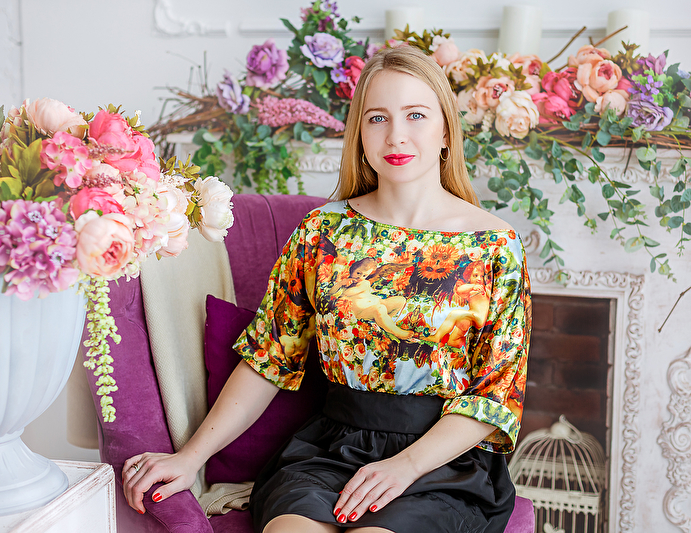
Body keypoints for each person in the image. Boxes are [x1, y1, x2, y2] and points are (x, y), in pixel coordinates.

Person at [122, 45, 531, 533]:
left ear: (446, 129)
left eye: (416, 115)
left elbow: (494, 397)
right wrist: (190, 458)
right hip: (330, 450)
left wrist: (404, 467)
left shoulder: (494, 245)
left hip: (442, 464)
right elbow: (270, 357)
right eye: (377, 118)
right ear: (359, 133)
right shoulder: (323, 231)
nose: (396, 135)